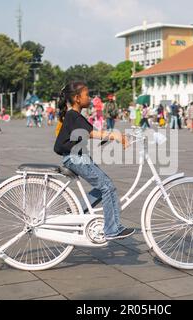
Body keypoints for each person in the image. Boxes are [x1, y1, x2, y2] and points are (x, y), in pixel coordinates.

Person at [54, 82, 135, 241]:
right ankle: (112, 230)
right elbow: (91, 133)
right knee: (107, 187)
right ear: (77, 98)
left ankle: (77, 210)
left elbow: (89, 134)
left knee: (104, 185)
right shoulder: (73, 115)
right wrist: (115, 136)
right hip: (75, 157)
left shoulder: (75, 115)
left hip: (78, 156)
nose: (89, 98)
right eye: (87, 95)